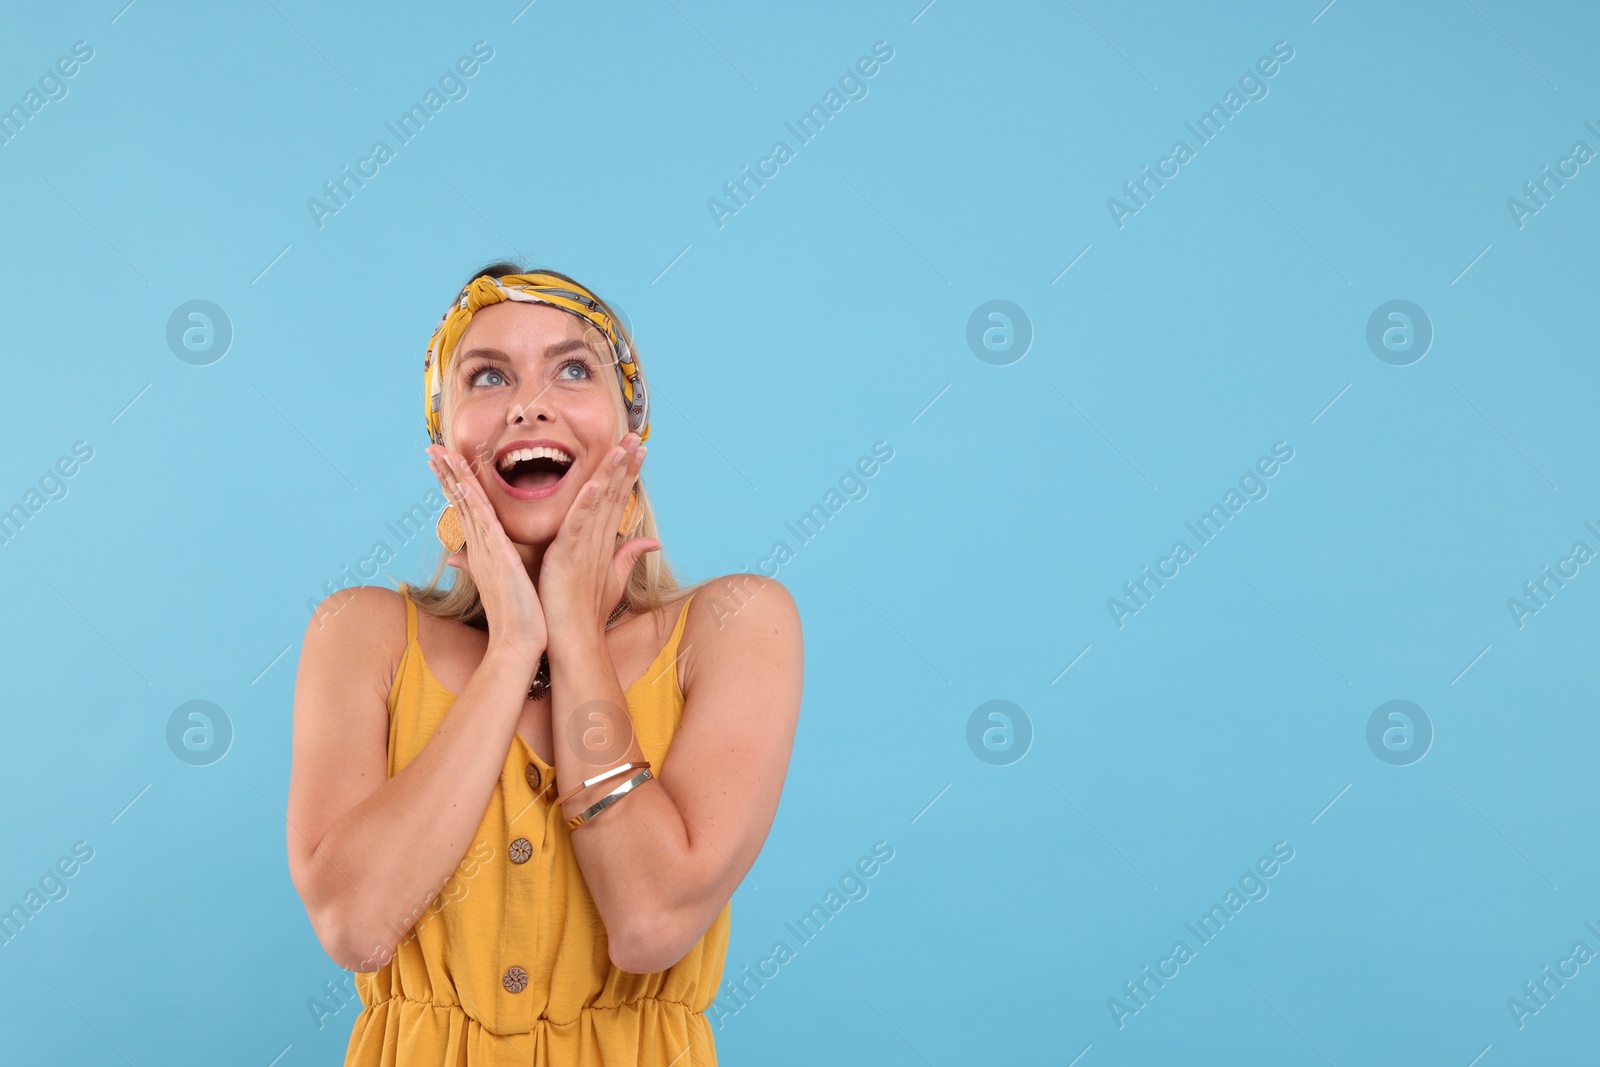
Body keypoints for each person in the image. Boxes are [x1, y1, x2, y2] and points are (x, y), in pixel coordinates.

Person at [286, 263, 803, 1065]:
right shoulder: (362, 632)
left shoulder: (735, 625)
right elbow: (356, 924)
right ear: (442, 436)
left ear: (631, 424)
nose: (529, 403)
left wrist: (576, 634)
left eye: (572, 368)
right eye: (487, 375)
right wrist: (514, 648)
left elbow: (649, 921)